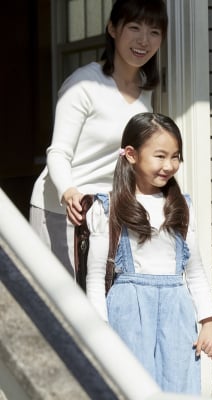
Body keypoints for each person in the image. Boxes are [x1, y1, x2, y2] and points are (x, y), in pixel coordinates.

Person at [85, 112, 212, 394]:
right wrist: (99, 330)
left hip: (177, 311)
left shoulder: (182, 206)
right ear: (131, 154)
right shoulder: (107, 207)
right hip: (127, 310)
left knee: (179, 388)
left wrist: (208, 322)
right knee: (130, 388)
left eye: (175, 157)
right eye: (160, 156)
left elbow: (194, 271)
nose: (169, 165)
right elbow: (96, 276)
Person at [30, 0, 167, 275]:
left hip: (107, 212)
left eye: (154, 31)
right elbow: (58, 152)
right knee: (61, 297)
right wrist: (69, 191)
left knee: (101, 297)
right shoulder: (83, 84)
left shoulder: (146, 90)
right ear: (113, 29)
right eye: (134, 27)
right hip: (63, 209)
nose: (144, 40)